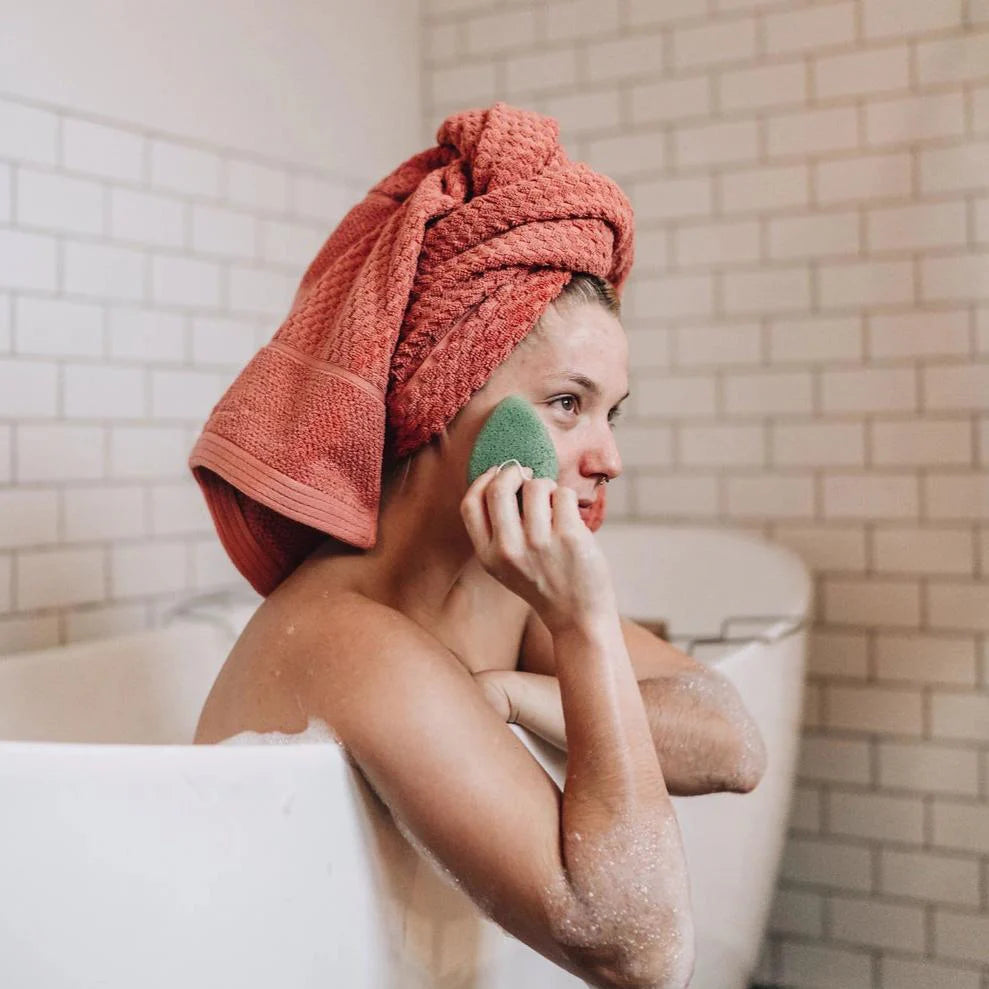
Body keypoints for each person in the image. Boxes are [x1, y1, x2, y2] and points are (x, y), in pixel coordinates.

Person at [191, 103, 760, 988]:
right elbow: (643, 948)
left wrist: (510, 691)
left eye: (612, 412)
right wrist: (581, 630)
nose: (607, 457)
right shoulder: (351, 636)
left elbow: (731, 742)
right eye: (567, 404)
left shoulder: (493, 595)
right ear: (441, 395)